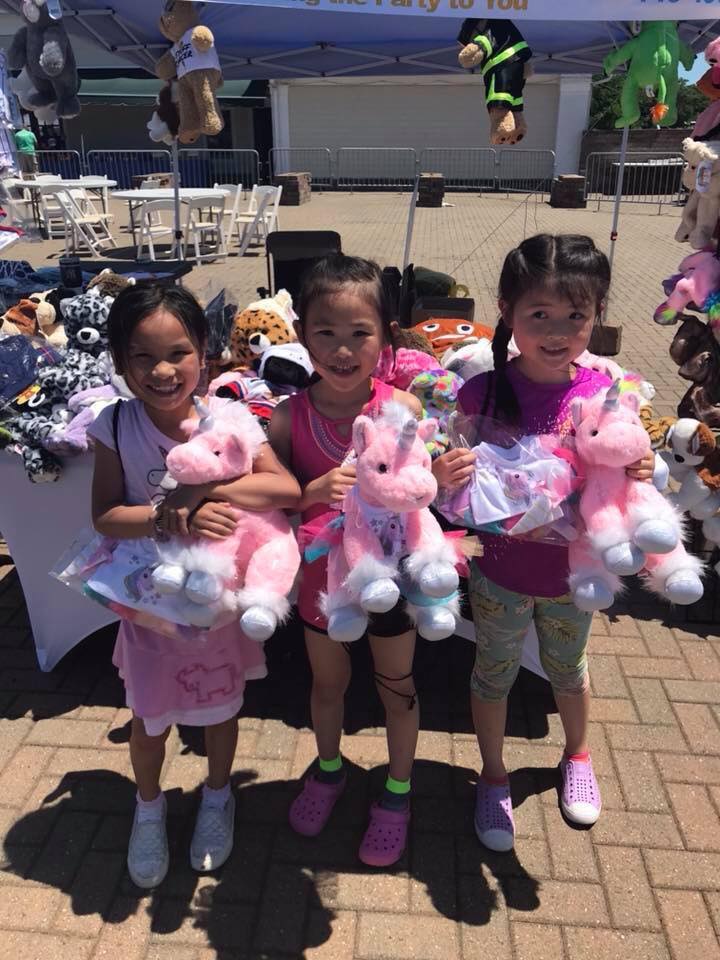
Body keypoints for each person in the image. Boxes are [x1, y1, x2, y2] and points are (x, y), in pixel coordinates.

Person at [432, 235, 654, 852]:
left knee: (569, 669)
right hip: (499, 572)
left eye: (575, 315)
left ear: (596, 314)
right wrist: (443, 476)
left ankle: (577, 755)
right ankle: (493, 775)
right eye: (539, 315)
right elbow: (452, 494)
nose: (558, 332)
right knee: (492, 673)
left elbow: (627, 466)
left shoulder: (603, 395)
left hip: (573, 576)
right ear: (507, 312)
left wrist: (641, 468)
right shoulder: (479, 394)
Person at [89, 284, 300, 888]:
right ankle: (148, 807)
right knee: (149, 717)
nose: (162, 371)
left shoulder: (228, 419)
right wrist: (165, 514)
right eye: (141, 357)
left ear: (203, 351)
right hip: (152, 604)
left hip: (217, 605)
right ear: (120, 360)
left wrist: (203, 489)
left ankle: (217, 796)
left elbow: (284, 489)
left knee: (219, 707)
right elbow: (105, 515)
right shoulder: (115, 424)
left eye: (178, 353)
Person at [269, 254, 423, 867]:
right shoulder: (289, 417)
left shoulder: (403, 410)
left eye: (360, 333)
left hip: (392, 578)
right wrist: (309, 491)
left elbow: (422, 493)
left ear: (385, 337)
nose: (341, 349)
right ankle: (329, 769)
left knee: (397, 687)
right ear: (301, 334)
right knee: (327, 684)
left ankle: (398, 790)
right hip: (322, 582)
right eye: (325, 332)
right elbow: (273, 501)